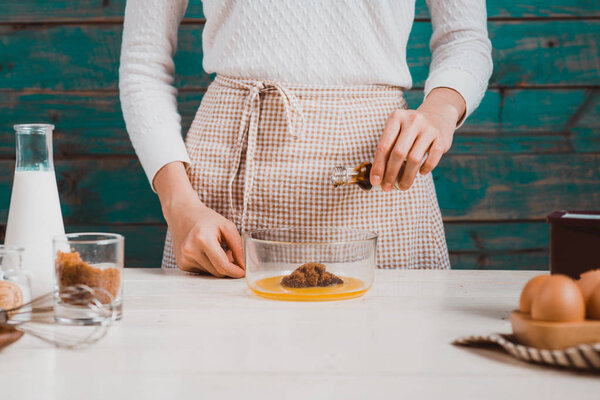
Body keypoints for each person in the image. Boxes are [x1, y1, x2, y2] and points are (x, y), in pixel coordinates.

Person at [119, 0, 492, 277]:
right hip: (222, 189)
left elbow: (465, 38)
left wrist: (440, 110)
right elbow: (143, 60)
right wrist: (180, 207)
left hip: (381, 178)